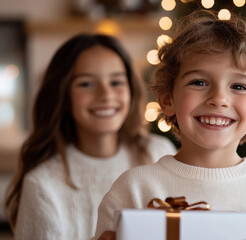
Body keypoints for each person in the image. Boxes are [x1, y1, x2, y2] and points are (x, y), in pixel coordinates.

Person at [92, 10, 246, 240]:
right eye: (199, 82)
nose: (218, 99)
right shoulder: (134, 188)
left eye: (238, 86)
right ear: (168, 100)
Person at [4, 33, 176, 240]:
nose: (105, 94)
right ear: (64, 96)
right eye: (86, 84)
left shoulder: (159, 151)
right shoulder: (42, 185)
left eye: (116, 82)